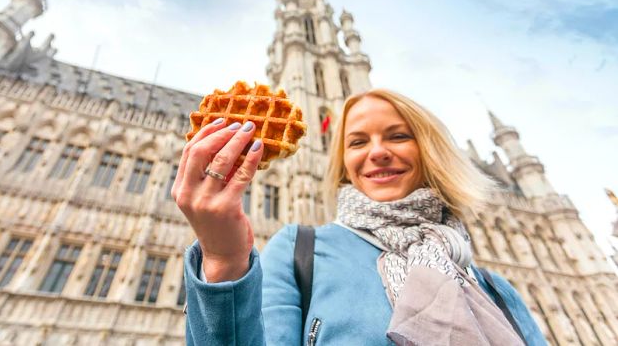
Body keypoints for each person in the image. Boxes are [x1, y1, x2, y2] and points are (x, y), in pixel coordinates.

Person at [172, 88, 547, 345]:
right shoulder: (301, 250)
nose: (378, 151)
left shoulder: (492, 286)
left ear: (430, 151)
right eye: (358, 141)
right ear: (343, 163)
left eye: (398, 136)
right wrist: (222, 260)